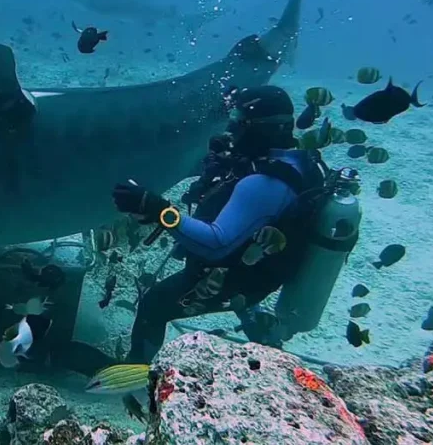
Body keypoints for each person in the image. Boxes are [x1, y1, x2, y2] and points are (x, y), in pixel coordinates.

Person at [112, 85, 349, 363]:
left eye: (239, 122)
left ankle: (134, 375)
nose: (232, 128)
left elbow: (215, 244)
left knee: (154, 305)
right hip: (261, 264)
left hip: (238, 276)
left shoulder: (264, 184)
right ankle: (257, 322)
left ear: (258, 129)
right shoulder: (299, 161)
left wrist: (158, 210)